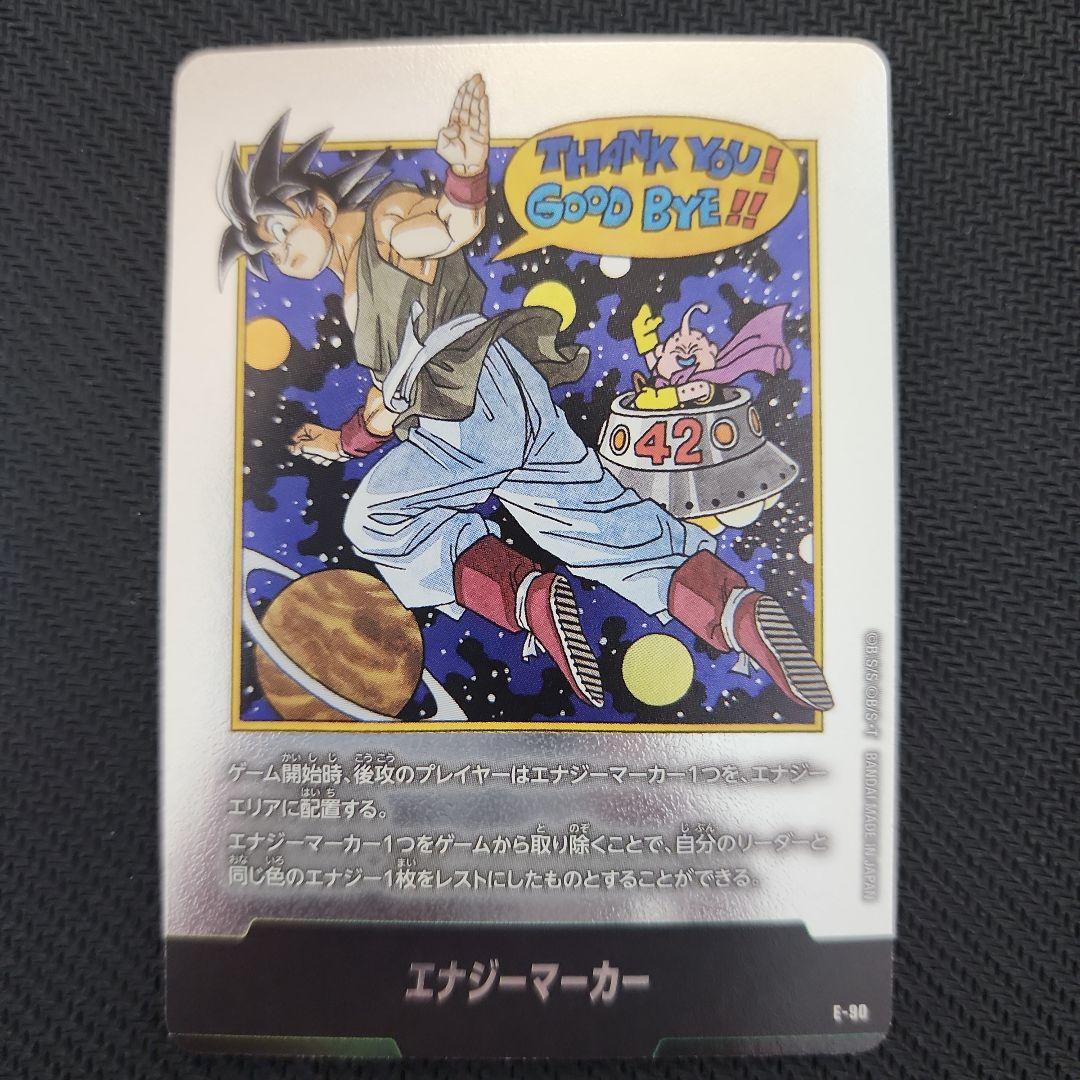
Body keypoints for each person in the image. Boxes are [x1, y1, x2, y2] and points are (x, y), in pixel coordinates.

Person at [219, 75, 833, 713]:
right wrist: (342, 441)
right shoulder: (357, 285)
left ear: (315, 204)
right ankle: (736, 612)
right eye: (268, 249)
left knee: (377, 518)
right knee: (600, 525)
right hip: (508, 390)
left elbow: (448, 227)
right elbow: (388, 401)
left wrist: (465, 174)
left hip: (468, 405)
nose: (280, 253)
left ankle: (527, 597)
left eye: (280, 229)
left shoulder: (384, 224)